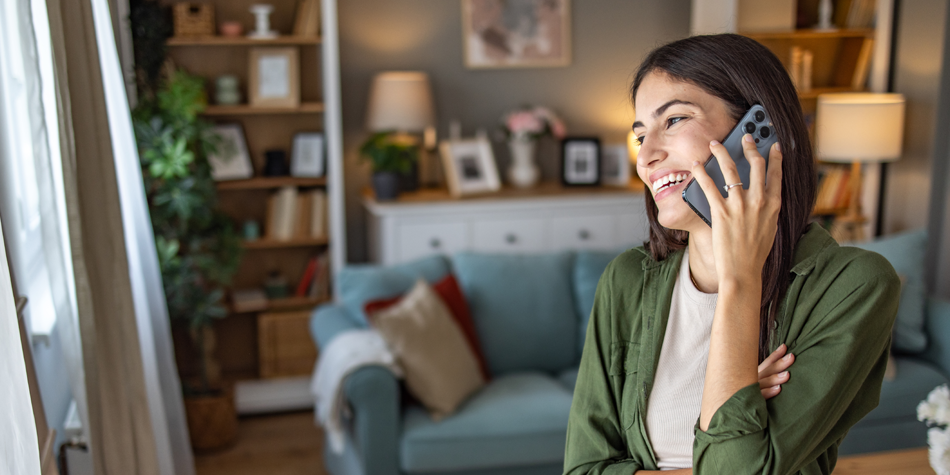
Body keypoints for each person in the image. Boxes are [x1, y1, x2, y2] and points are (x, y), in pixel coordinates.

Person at [563, 34, 900, 474]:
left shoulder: (853, 285)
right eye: (641, 134)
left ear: (757, 133)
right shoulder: (626, 278)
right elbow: (583, 469)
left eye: (675, 120)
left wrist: (739, 279)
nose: (646, 156)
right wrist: (735, 407)